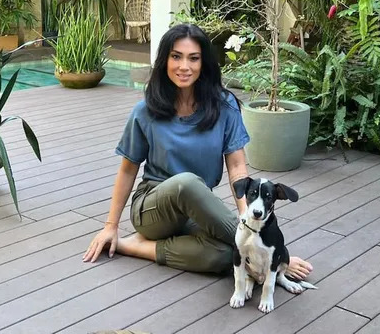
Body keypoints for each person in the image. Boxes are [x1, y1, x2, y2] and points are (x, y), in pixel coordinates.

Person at [82, 23, 313, 279]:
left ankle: (132, 246)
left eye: (193, 58)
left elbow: (237, 167)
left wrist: (243, 213)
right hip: (153, 210)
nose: (184, 66)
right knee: (188, 183)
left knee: (226, 256)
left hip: (194, 212)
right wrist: (110, 225)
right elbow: (128, 170)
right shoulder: (146, 111)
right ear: (165, 60)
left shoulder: (224, 106)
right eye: (176, 57)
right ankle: (273, 256)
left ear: (204, 63)